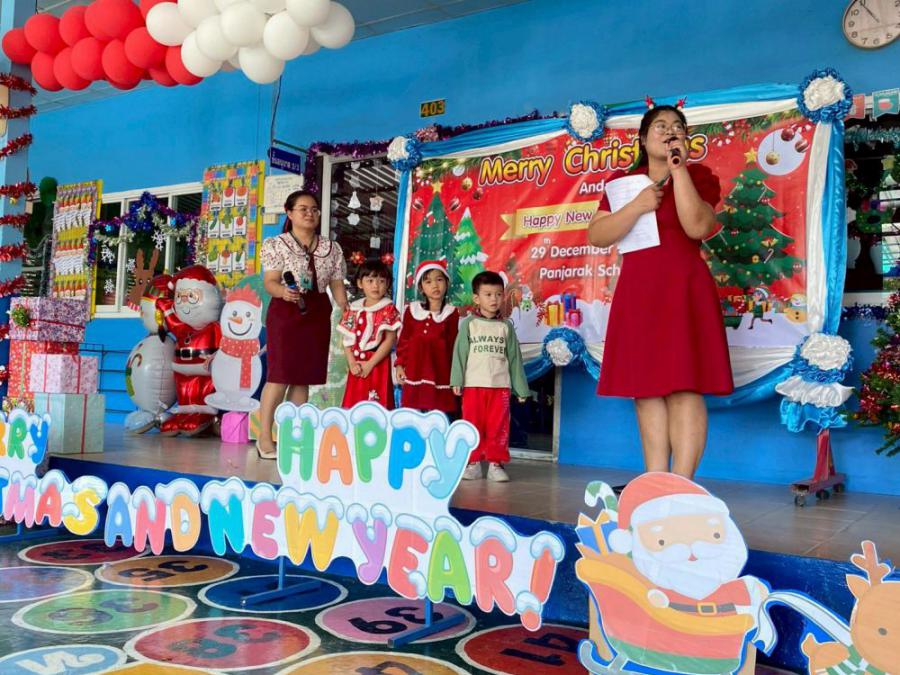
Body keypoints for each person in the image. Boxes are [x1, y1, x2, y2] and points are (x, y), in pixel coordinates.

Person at [587, 104, 734, 478]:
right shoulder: (623, 183)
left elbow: (697, 227)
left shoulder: (698, 175)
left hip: (684, 290)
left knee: (685, 386)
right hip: (638, 292)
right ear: (642, 138)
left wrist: (678, 169)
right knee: (646, 388)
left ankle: (681, 485)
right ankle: (654, 481)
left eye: (678, 126)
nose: (670, 130)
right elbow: (598, 235)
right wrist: (637, 205)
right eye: (661, 125)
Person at [258, 190, 348, 459]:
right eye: (303, 209)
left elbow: (337, 285)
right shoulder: (276, 244)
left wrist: (347, 308)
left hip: (317, 312)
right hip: (286, 312)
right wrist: (283, 292)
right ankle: (265, 438)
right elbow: (270, 282)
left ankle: (291, 437)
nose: (310, 214)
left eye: (314, 209)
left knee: (303, 378)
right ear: (289, 213)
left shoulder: (332, 248)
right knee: (279, 375)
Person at [450, 271, 529, 483]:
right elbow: (460, 353)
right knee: (472, 424)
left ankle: (496, 463)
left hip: (500, 387)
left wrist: (521, 389)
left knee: (498, 426)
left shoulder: (506, 326)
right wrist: (456, 380)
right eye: (488, 294)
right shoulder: (469, 324)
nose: (494, 299)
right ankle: (473, 463)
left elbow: (514, 358)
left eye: (498, 294)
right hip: (473, 386)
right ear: (476, 298)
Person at [395, 260, 459, 415]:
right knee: (413, 416)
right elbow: (404, 340)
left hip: (440, 374)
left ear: (447, 283)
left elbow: (453, 347)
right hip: (415, 372)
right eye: (428, 282)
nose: (435, 285)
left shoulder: (451, 313)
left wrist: (456, 377)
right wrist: (399, 365)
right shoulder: (412, 311)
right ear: (421, 287)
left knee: (437, 417)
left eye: (439, 279)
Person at [338, 259, 402, 408]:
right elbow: (347, 340)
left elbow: (390, 340)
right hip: (357, 366)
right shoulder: (354, 309)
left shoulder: (388, 309)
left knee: (377, 405)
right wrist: (352, 363)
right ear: (360, 283)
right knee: (354, 404)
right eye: (370, 280)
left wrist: (370, 364)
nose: (376, 285)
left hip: (378, 365)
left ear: (387, 284)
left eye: (381, 281)